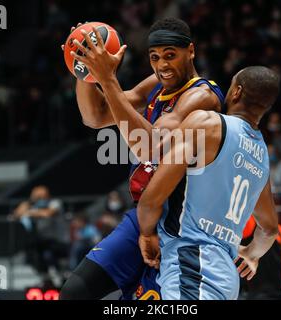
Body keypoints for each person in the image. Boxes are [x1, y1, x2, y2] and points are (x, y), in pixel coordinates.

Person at [59, 18, 224, 300]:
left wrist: (108, 79)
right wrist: (86, 70)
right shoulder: (157, 84)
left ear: (191, 51)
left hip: (177, 223)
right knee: (74, 292)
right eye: (155, 57)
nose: (162, 66)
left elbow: (150, 146)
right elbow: (95, 116)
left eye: (171, 56)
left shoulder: (202, 96)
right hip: (142, 215)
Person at [137, 66, 280, 299]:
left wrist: (145, 233)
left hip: (192, 266)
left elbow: (151, 199)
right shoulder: (262, 154)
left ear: (236, 92)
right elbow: (269, 229)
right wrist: (251, 254)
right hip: (227, 280)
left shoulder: (207, 123)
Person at [12, 185, 67, 277]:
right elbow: (16, 214)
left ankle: (56, 273)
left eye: (41, 197)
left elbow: (47, 214)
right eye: (37, 198)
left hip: (58, 241)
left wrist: (30, 212)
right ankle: (44, 275)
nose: (40, 200)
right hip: (42, 243)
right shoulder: (35, 206)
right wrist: (29, 202)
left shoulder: (55, 203)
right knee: (32, 250)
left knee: (47, 254)